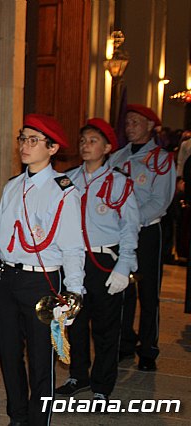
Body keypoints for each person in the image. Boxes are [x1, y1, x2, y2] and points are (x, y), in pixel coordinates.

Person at [0, 113, 84, 426]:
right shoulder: (12, 187)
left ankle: (39, 420)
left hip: (42, 282)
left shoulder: (63, 190)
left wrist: (75, 293)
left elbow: (73, 248)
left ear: (52, 148)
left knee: (41, 360)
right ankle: (18, 416)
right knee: (8, 354)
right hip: (7, 278)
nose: (24, 145)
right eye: (23, 138)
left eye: (33, 140)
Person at [55, 118, 140, 401]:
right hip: (74, 262)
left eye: (92, 141)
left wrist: (124, 266)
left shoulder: (119, 182)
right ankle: (78, 375)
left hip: (104, 263)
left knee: (105, 327)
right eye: (82, 141)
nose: (85, 146)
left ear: (107, 147)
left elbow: (130, 227)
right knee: (75, 322)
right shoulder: (67, 180)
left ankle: (103, 385)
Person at [108, 104, 176, 371]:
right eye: (127, 122)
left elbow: (160, 201)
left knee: (148, 292)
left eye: (136, 122)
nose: (130, 126)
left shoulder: (161, 159)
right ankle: (125, 343)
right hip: (120, 231)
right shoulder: (117, 157)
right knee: (122, 288)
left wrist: (132, 221)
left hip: (147, 231)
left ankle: (148, 348)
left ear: (150, 126)